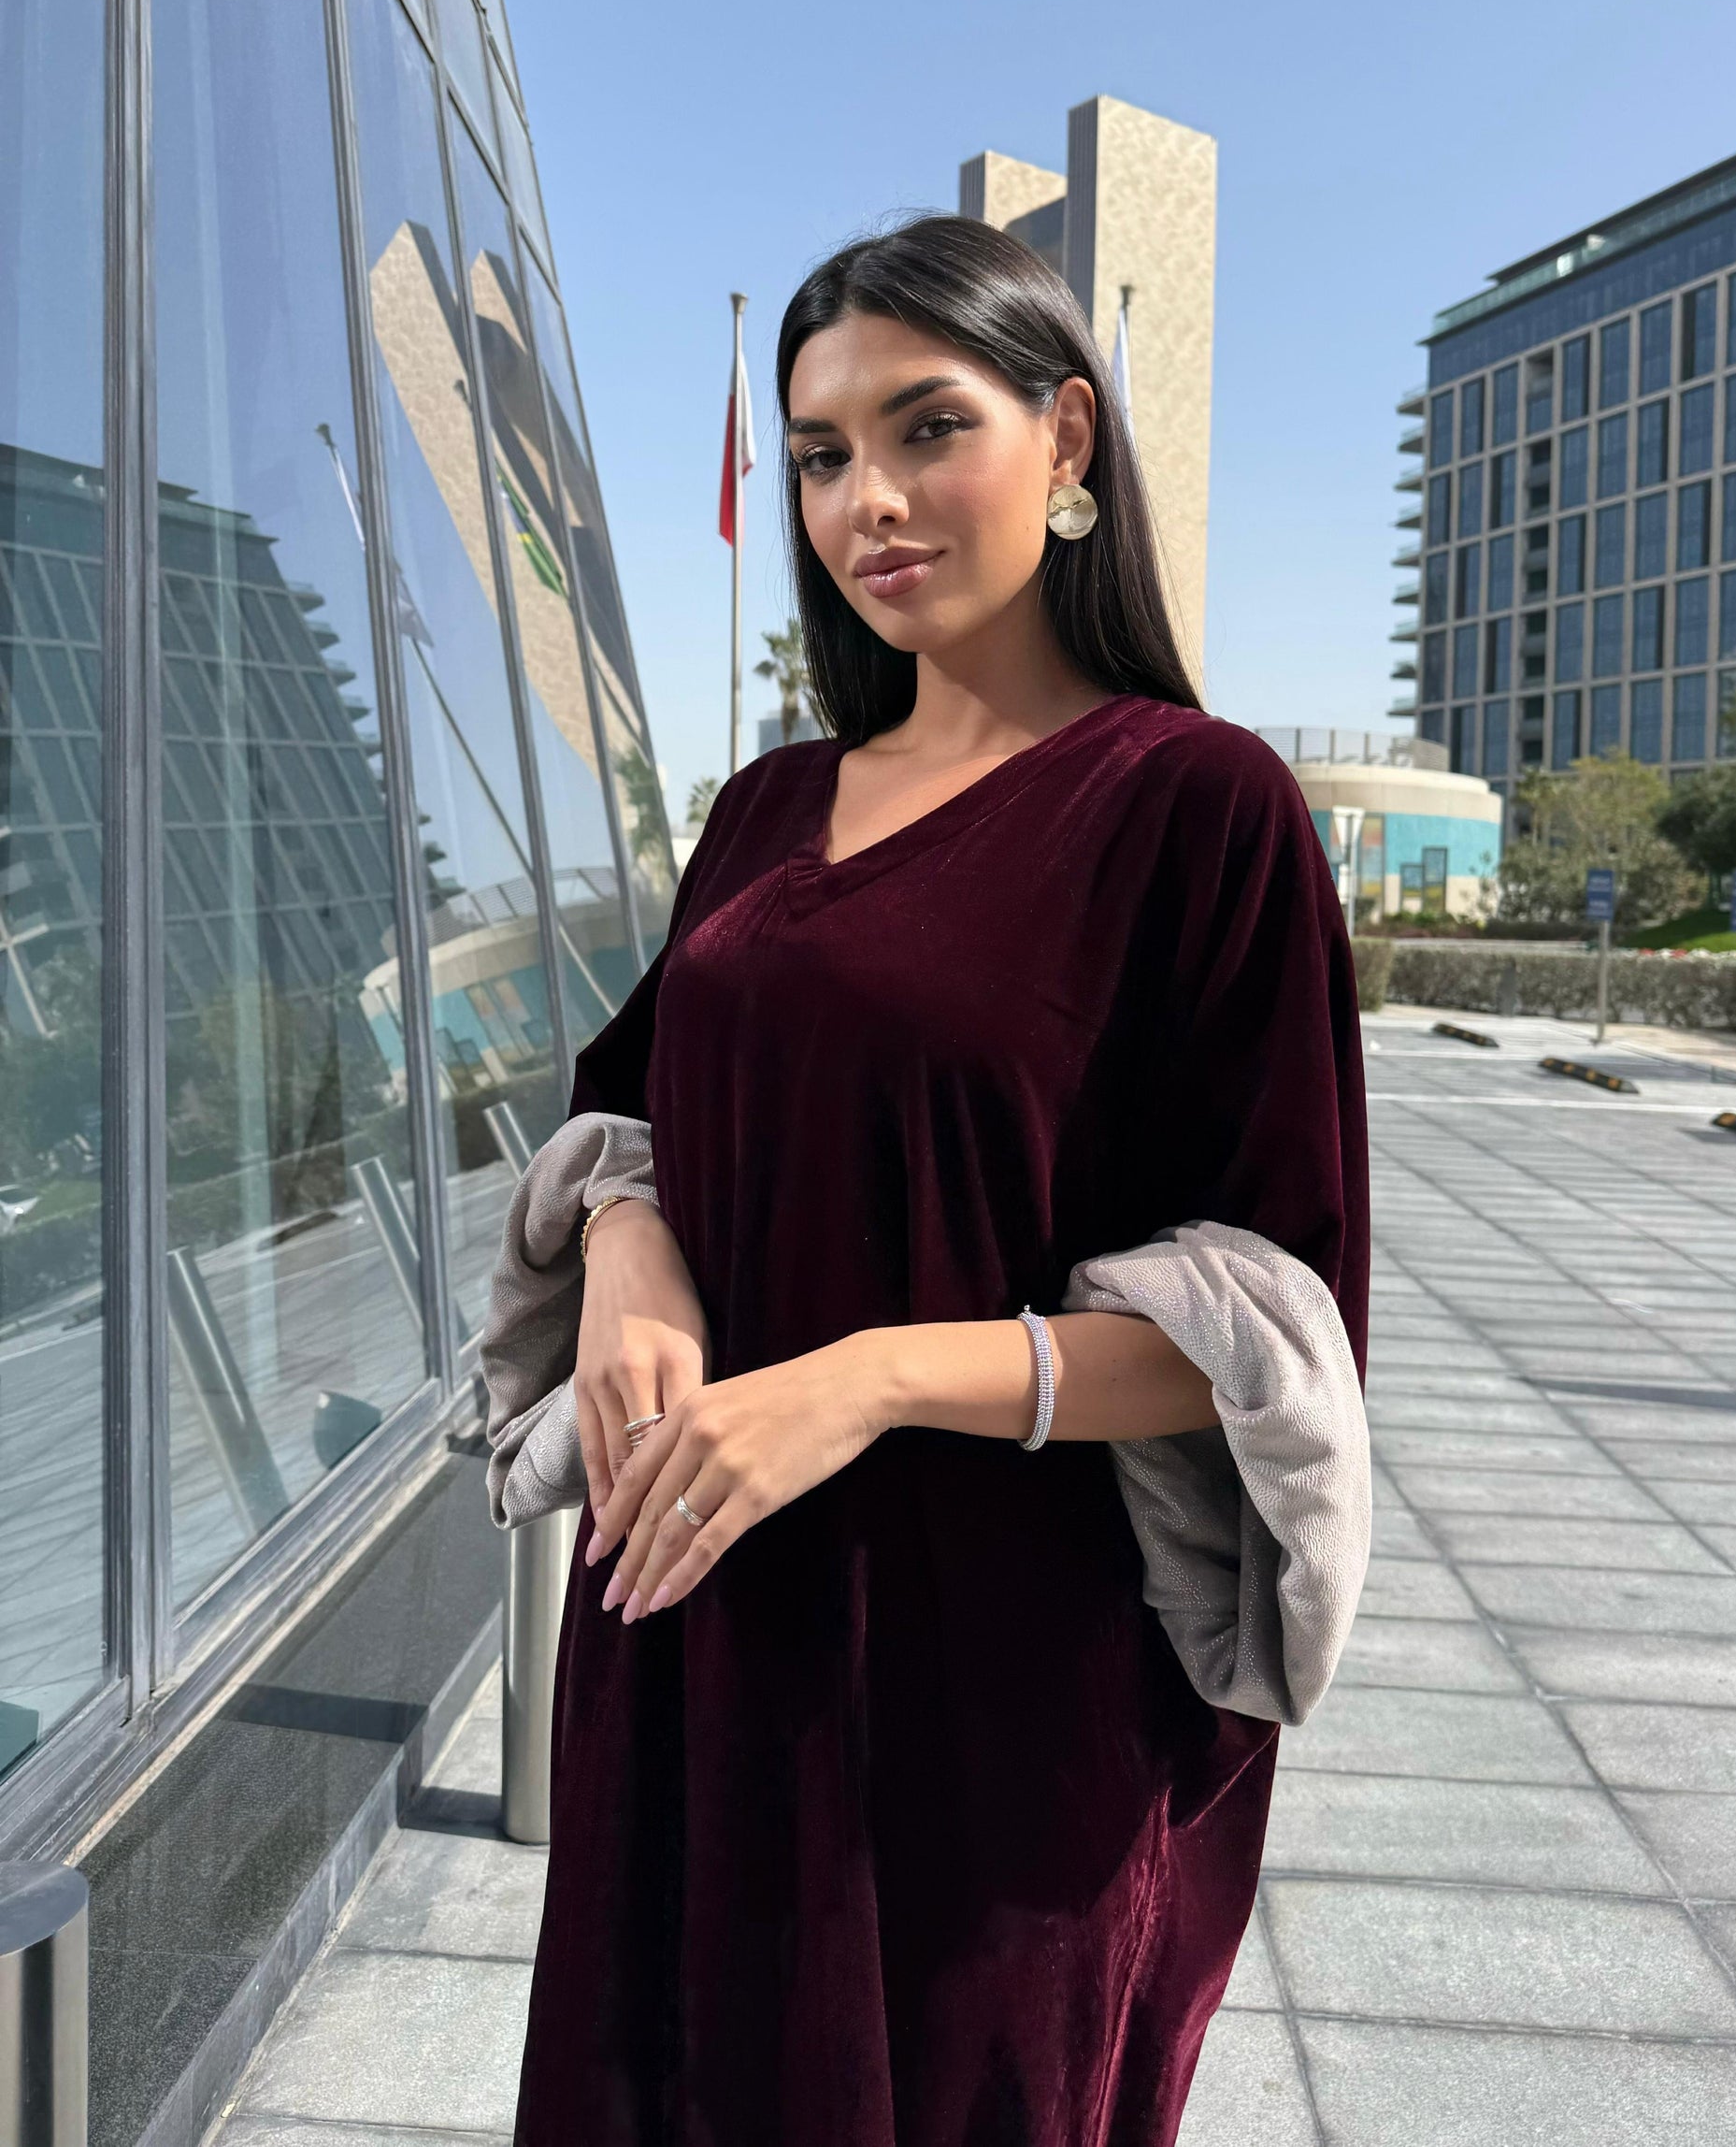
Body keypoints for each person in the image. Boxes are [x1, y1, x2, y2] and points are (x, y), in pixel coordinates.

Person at [503, 213, 1369, 2145]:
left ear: (1067, 439)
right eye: (821, 454)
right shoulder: (765, 809)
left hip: (994, 1666)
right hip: (688, 1608)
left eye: (925, 428)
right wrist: (630, 1247)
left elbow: (1269, 1317)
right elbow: (635, 1103)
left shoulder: (1193, 802)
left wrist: (871, 1376)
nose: (865, 501)